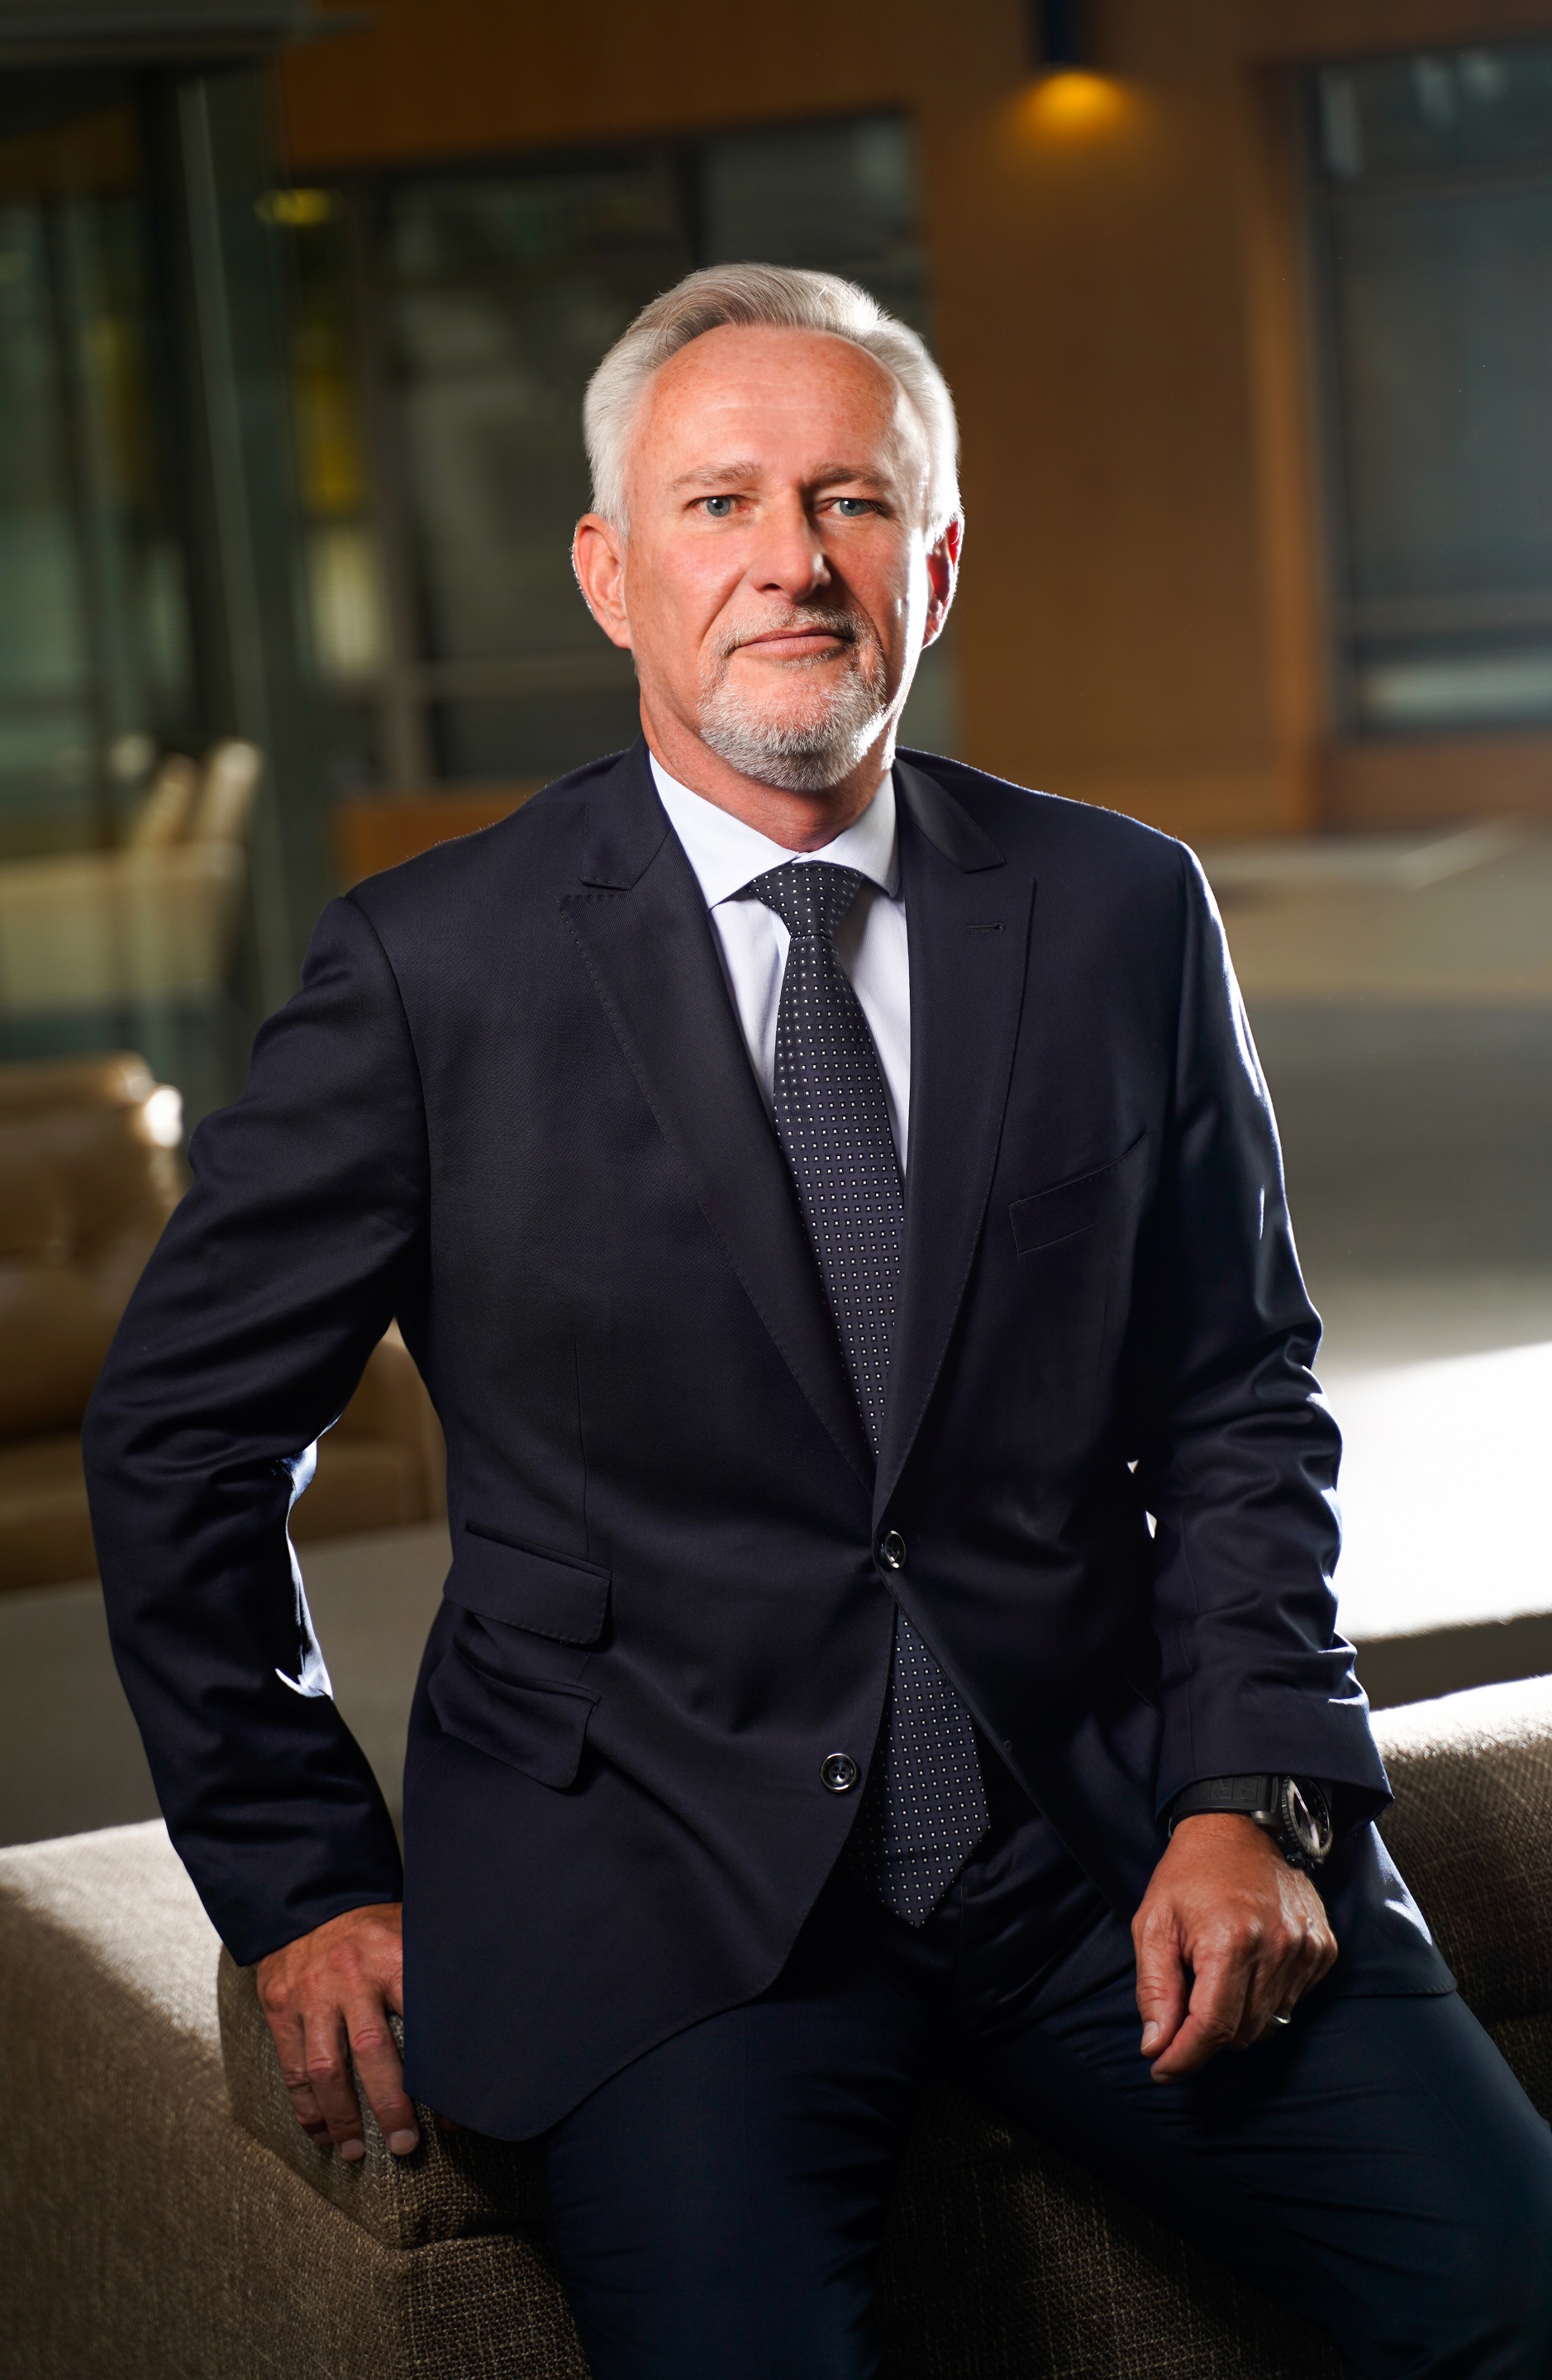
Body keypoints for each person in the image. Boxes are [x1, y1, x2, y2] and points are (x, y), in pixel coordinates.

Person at [86, 264, 1552, 2378]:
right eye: (720, 503)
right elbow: (183, 1440)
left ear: (934, 567)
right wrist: (301, 1874)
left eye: (853, 501)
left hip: (1100, 1836)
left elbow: (1239, 1395)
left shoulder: (1120, 911)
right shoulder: (432, 971)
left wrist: (1250, 1790)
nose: (792, 560)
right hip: (659, 1892)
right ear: (611, 572)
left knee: (1514, 2291)